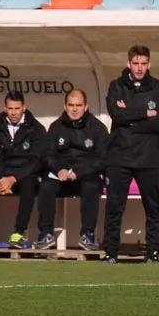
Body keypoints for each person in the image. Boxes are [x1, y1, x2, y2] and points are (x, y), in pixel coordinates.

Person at [102, 45, 159, 264]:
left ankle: (153, 252)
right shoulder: (116, 86)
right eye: (135, 63)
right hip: (120, 156)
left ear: (149, 64)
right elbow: (116, 115)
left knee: (152, 207)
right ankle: (110, 252)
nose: (139, 68)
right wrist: (145, 113)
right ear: (128, 64)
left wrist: (130, 118)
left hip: (150, 157)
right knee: (115, 207)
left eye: (143, 63)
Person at [34, 90, 109, 250]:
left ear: (86, 107)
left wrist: (79, 172)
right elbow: (47, 154)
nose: (74, 109)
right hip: (61, 175)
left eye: (78, 105)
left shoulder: (97, 128)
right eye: (71, 105)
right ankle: (45, 233)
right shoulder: (56, 127)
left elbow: (103, 158)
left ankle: (88, 235)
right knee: (46, 185)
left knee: (91, 186)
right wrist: (58, 169)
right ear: (65, 106)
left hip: (86, 174)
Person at [0, 91, 48, 249]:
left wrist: (14, 178)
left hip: (24, 175)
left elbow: (37, 161)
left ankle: (19, 232)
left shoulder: (36, 129)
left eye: (17, 108)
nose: (14, 112)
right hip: (2, 175)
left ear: (24, 107)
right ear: (5, 109)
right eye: (10, 109)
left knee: (29, 184)